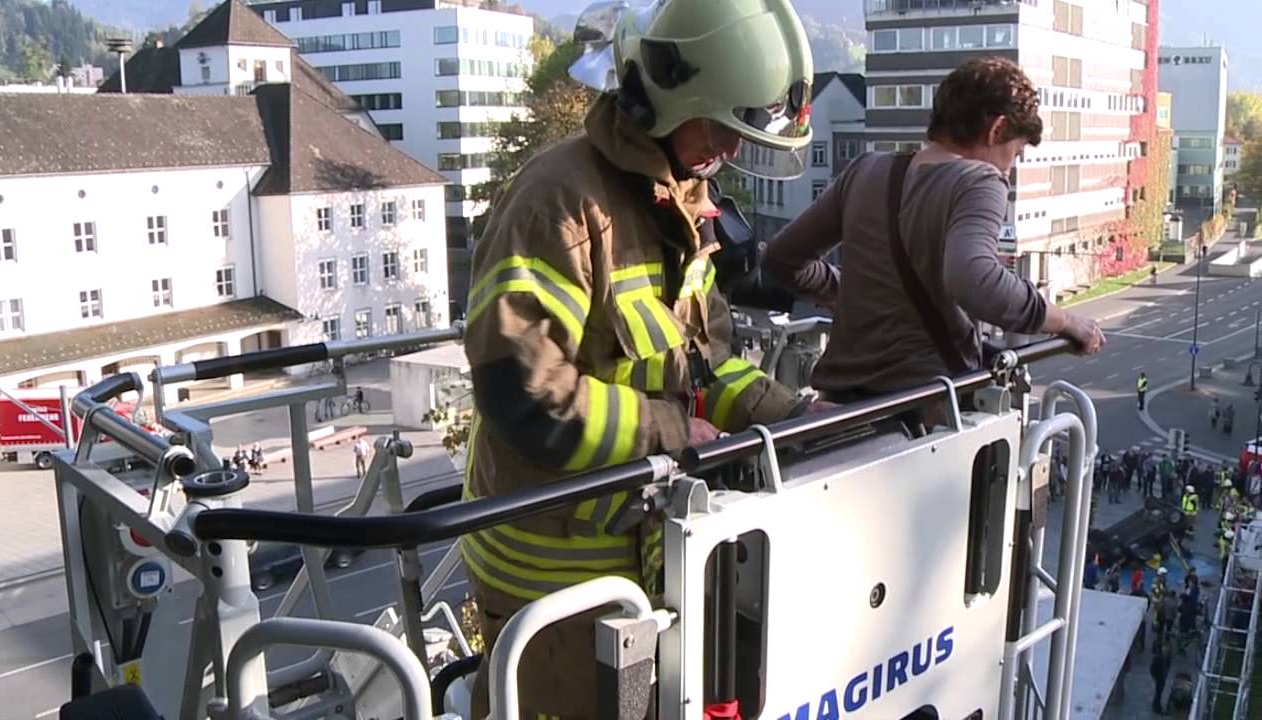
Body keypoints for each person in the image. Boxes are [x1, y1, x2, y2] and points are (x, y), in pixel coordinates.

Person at [460, 2, 824, 716]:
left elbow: (706, 368)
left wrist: (802, 420)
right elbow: (521, 394)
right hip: (553, 577)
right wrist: (669, 432)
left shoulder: (680, 202)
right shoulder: (559, 206)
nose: (733, 150)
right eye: (724, 126)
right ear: (670, 95)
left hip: (636, 562)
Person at [763, 57, 1104, 404]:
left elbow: (781, 257)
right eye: (1014, 154)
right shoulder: (979, 181)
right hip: (924, 416)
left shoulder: (866, 170)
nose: (1009, 171)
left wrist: (845, 288)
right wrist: (1065, 322)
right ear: (996, 129)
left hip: (837, 407)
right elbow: (975, 280)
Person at [1150, 642, 1172, 714]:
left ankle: (1156, 705)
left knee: (1159, 692)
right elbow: (1152, 668)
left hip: (1162, 677)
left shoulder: (1166, 658)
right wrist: (1155, 676)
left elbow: (1168, 665)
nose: (1165, 652)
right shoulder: (1158, 658)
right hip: (1159, 677)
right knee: (1158, 693)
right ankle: (1157, 706)